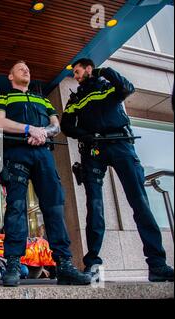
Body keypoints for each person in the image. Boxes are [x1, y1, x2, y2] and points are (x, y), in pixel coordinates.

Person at [60, 58, 174, 282]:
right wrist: (84, 135)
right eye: (73, 72)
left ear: (89, 68)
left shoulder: (109, 85)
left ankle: (157, 265)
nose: (75, 75)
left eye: (77, 71)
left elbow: (127, 87)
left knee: (140, 203)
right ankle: (93, 264)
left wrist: (104, 71)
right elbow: (66, 125)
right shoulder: (75, 99)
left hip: (121, 144)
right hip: (93, 150)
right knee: (95, 207)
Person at [0, 60, 91, 287]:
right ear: (10, 76)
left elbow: (56, 126)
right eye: (20, 68)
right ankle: (13, 263)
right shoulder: (3, 97)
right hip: (16, 153)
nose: (26, 70)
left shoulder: (43, 99)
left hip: (43, 153)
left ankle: (64, 264)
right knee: (16, 208)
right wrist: (29, 128)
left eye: (27, 68)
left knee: (54, 208)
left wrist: (42, 132)